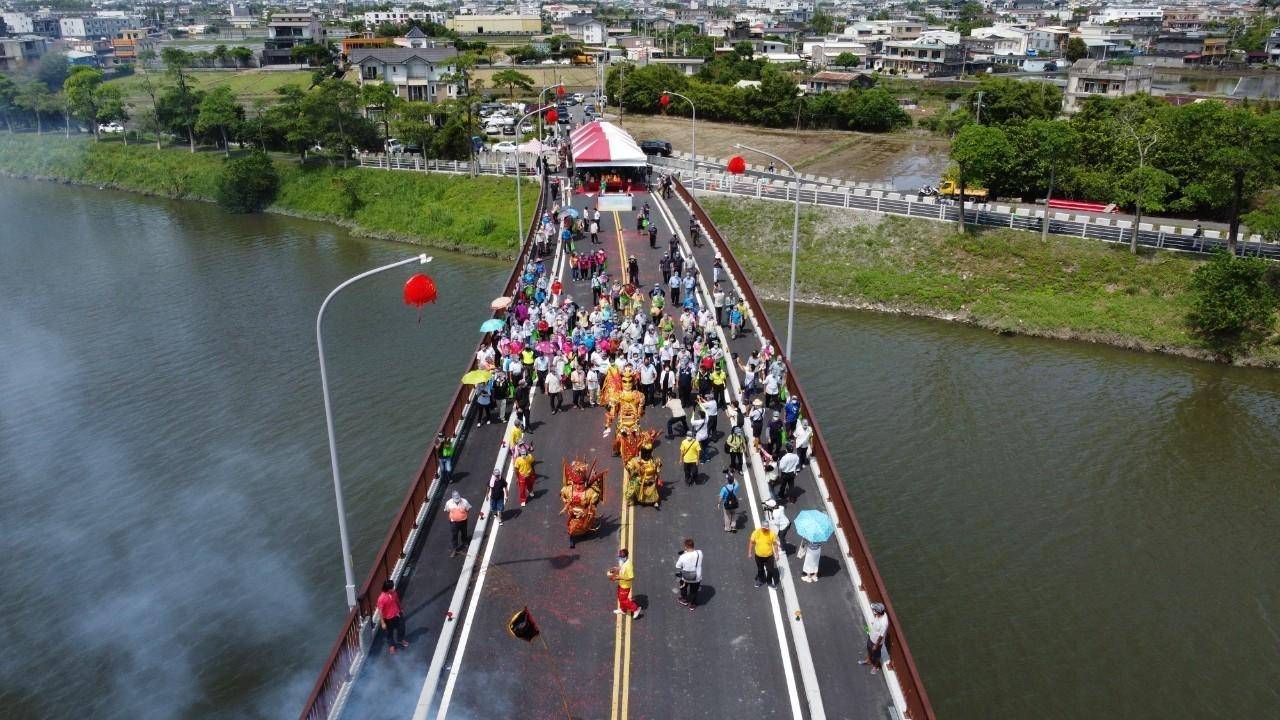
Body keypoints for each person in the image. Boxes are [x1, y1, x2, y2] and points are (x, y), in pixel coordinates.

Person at [376, 579, 409, 654]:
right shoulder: (381, 599)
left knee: (402, 627)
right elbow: (380, 611)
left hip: (397, 614)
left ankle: (400, 639)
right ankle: (391, 645)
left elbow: (397, 600)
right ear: (388, 589)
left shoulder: (394, 593)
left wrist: (400, 608)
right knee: (389, 633)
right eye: (392, 587)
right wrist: (383, 623)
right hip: (388, 619)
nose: (393, 588)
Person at [609, 548, 643, 619]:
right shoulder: (623, 562)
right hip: (621, 584)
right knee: (620, 597)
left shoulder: (628, 566)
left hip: (625, 586)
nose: (619, 558)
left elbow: (631, 578)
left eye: (620, 557)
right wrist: (615, 569)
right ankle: (623, 610)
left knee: (623, 600)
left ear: (625, 557)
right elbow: (620, 568)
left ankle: (636, 609)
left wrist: (619, 578)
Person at [859, 603, 889, 675]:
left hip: (876, 642)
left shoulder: (884, 623)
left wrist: (876, 645)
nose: (873, 610)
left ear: (878, 611)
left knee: (876, 655)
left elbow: (881, 636)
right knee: (869, 648)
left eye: (874, 609)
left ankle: (876, 666)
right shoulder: (878, 615)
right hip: (871, 636)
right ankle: (868, 660)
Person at [748, 522, 780, 588]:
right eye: (764, 528)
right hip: (758, 556)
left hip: (769, 556)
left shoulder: (772, 534)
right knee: (760, 569)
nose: (765, 529)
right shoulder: (756, 532)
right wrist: (749, 552)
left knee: (770, 570)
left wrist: (777, 554)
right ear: (761, 527)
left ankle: (769, 582)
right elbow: (751, 542)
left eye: (766, 528)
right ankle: (761, 580)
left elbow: (775, 544)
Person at [674, 538, 703, 608]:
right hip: (697, 577)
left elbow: (677, 566)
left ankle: (684, 599)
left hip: (685, 577)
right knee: (694, 591)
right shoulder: (700, 553)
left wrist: (685, 553)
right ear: (693, 545)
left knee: (683, 588)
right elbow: (694, 552)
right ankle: (692, 604)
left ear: (685, 547)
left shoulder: (682, 557)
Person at [445, 490, 472, 557]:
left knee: (464, 532)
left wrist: (462, 515)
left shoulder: (464, 501)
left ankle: (464, 542)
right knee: (454, 535)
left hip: (463, 521)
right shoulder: (448, 503)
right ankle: (455, 549)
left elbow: (468, 509)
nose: (457, 501)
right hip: (454, 522)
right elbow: (447, 510)